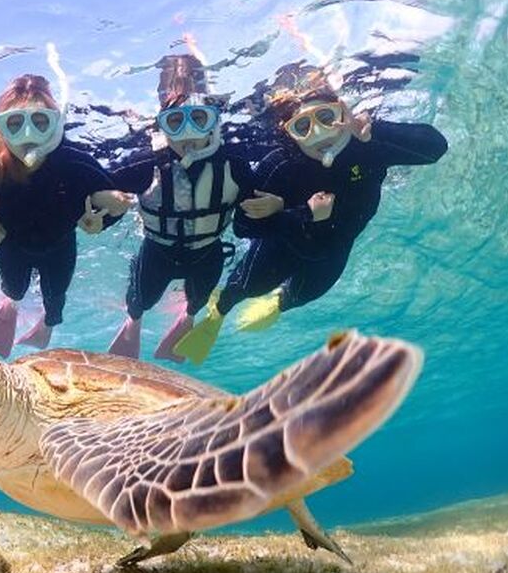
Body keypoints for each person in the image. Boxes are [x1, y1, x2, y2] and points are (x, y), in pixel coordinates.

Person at [173, 68, 448, 364]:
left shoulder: (366, 145)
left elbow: (436, 148)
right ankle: (216, 315)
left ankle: (279, 302)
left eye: (327, 118)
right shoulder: (280, 163)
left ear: (342, 113)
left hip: (333, 251)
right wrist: (296, 214)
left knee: (301, 296)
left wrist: (377, 131)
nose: (318, 133)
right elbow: (243, 227)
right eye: (302, 126)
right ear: (290, 133)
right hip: (283, 247)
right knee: (243, 289)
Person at [106, 54, 276, 360]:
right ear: (162, 126)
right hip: (157, 251)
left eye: (199, 119)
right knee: (140, 301)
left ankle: (186, 319)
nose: (188, 133)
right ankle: (133, 324)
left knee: (197, 301)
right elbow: (93, 186)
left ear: (213, 121)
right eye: (175, 122)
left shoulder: (234, 163)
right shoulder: (145, 163)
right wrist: (105, 207)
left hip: (207, 252)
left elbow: (251, 217)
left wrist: (274, 205)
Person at [0, 73, 131, 357]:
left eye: (40, 122)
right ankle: (10, 305)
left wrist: (102, 221)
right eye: (15, 124)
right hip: (11, 244)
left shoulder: (76, 162)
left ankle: (47, 326)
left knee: (55, 298)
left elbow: (114, 200)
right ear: (1, 128)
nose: (28, 135)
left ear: (56, 122)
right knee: (14, 288)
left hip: (59, 246)